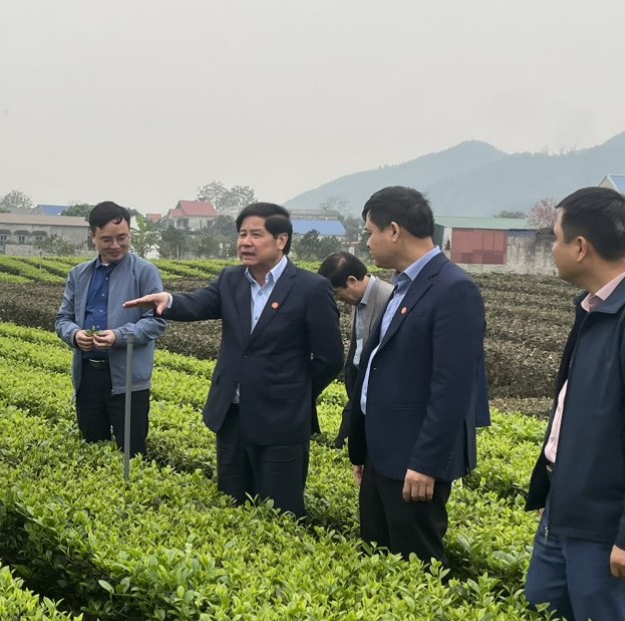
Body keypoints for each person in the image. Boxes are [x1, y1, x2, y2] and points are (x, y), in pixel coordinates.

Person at [523, 187, 625, 621]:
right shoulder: (595, 306)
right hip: (563, 509)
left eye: (554, 238)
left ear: (581, 247)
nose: (551, 250)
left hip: (606, 528)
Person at [124, 202, 342, 516]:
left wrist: (295, 393)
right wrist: (167, 300)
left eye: (256, 234)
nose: (245, 242)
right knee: (233, 506)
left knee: (280, 513)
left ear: (281, 240)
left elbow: (330, 357)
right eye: (242, 234)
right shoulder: (231, 280)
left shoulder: (311, 288)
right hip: (232, 416)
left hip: (281, 423)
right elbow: (199, 303)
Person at [346, 186, 488, 567]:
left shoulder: (453, 289)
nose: (367, 242)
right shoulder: (404, 286)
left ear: (393, 230)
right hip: (382, 455)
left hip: (413, 463)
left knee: (414, 571)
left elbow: (453, 387)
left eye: (369, 232)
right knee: (377, 563)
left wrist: (427, 462)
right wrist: (363, 449)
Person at [54, 202, 166, 456]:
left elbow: (156, 321)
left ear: (130, 235)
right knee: (92, 451)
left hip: (128, 380)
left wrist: (119, 336)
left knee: (131, 453)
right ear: (92, 236)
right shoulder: (79, 274)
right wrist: (74, 334)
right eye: (106, 239)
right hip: (88, 377)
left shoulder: (145, 272)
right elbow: (63, 318)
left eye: (122, 238)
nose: (115, 245)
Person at [316, 251, 393, 448]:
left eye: (336, 292)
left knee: (350, 434)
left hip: (377, 379)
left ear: (351, 280)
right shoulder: (358, 300)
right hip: (359, 374)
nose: (338, 299)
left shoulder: (388, 297)